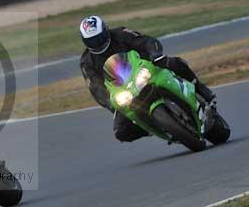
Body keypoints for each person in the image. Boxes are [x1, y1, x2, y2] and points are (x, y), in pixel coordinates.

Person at [78, 15, 216, 143]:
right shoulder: (87, 62)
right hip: (124, 89)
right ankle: (154, 127)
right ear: (85, 42)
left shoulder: (120, 33)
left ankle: (202, 90)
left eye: (99, 38)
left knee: (175, 63)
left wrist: (155, 55)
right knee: (121, 132)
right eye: (92, 41)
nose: (97, 43)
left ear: (106, 30)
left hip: (145, 68)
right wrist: (111, 104)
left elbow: (146, 41)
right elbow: (95, 87)